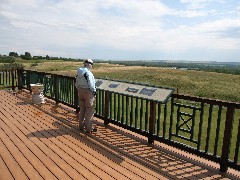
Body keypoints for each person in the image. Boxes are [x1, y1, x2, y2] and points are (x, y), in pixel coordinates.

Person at [75, 59, 97, 133]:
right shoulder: (88, 73)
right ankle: (88, 128)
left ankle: (81, 126)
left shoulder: (78, 72)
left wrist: (79, 90)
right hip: (88, 92)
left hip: (80, 91)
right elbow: (91, 85)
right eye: (92, 65)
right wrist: (94, 92)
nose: (92, 66)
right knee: (89, 110)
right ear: (89, 65)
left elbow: (76, 83)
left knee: (82, 109)